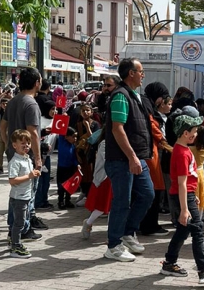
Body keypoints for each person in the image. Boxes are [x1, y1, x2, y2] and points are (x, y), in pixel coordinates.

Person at [160, 112, 204, 284]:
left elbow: (185, 182)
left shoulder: (182, 150)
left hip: (186, 196)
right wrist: (184, 208)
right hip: (183, 197)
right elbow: (181, 183)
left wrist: (191, 197)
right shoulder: (182, 153)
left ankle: (169, 263)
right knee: (198, 230)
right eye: (195, 131)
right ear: (185, 133)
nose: (196, 134)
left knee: (184, 230)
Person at [103, 57, 155, 262]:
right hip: (121, 159)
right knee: (122, 202)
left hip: (137, 158)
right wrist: (132, 157)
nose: (143, 75)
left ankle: (127, 232)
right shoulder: (120, 96)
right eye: (140, 71)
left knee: (147, 194)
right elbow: (118, 129)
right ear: (131, 73)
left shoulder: (135, 95)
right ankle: (113, 245)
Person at [0, 67, 48, 237]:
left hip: (14, 153)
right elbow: (33, 132)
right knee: (26, 193)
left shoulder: (13, 101)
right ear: (37, 83)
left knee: (16, 192)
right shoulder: (31, 104)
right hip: (26, 156)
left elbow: (2, 126)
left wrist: (8, 144)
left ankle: (14, 227)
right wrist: (38, 158)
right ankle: (23, 229)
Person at [139, 82, 171, 236]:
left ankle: (147, 224)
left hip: (148, 153)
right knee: (153, 191)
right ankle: (149, 226)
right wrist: (166, 144)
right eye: (161, 97)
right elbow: (153, 128)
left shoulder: (145, 103)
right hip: (150, 155)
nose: (162, 101)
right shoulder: (147, 107)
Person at [7, 129, 41, 258]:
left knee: (22, 221)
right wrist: (29, 176)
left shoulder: (26, 159)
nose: (26, 146)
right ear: (14, 145)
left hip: (27, 196)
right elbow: (12, 180)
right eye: (22, 143)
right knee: (19, 223)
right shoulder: (15, 162)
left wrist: (35, 174)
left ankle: (14, 241)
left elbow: (29, 175)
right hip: (19, 197)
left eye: (28, 143)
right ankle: (15, 246)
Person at [81, 128, 113, 239]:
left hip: (117, 178)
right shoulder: (105, 143)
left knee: (114, 208)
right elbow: (108, 160)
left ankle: (112, 234)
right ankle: (88, 223)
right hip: (105, 179)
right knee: (101, 207)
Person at [57, 127, 78, 209]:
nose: (75, 139)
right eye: (73, 136)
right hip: (62, 168)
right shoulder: (62, 142)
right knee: (61, 186)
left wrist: (77, 164)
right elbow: (61, 130)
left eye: (76, 136)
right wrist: (63, 117)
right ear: (66, 136)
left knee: (69, 186)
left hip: (70, 168)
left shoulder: (72, 146)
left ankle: (68, 201)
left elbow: (73, 158)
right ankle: (61, 201)